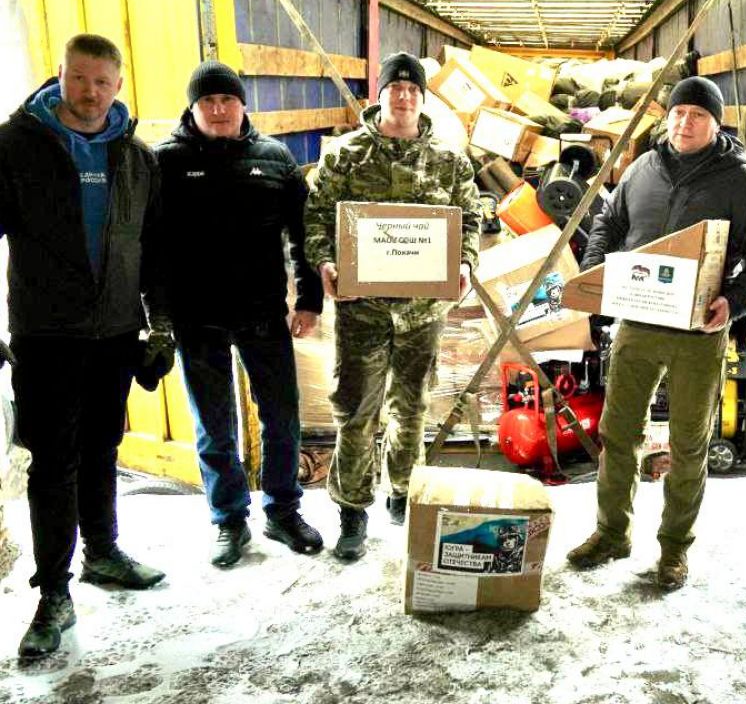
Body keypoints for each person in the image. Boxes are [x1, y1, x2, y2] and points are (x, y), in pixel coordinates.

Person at [566, 76, 746, 591]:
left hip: (696, 331)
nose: (685, 123)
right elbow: (607, 223)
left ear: (716, 123)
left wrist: (734, 301)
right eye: (679, 113)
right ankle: (611, 532)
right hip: (638, 323)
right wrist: (597, 272)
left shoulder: (741, 184)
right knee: (618, 434)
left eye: (698, 115)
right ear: (668, 117)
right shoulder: (643, 167)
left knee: (689, 443)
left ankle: (673, 550)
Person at [0, 33, 172, 658]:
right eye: (79, 79)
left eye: (102, 82)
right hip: (47, 335)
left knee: (104, 446)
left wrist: (162, 326)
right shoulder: (16, 145)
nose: (90, 92)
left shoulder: (137, 158)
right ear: (61, 76)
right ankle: (52, 595)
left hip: (115, 333)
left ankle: (102, 552)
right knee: (53, 462)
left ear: (118, 86)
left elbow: (153, 253)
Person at [304, 52, 481, 561]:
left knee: (413, 408)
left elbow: (470, 217)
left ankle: (403, 493)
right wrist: (324, 262)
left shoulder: (448, 159)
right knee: (356, 412)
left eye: (412, 89)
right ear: (378, 95)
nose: (403, 97)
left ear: (422, 98)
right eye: (394, 88)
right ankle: (352, 511)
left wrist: (465, 263)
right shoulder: (346, 155)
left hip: (423, 314)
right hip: (363, 311)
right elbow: (316, 217)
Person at [154, 60, 325, 568]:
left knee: (280, 416)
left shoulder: (275, 159)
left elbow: (304, 233)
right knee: (214, 425)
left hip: (262, 314)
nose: (219, 108)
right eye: (208, 100)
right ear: (193, 106)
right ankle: (229, 520)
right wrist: (157, 315)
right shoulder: (165, 162)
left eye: (227, 99)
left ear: (242, 103)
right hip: (195, 318)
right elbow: (152, 247)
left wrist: (309, 301)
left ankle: (282, 511)